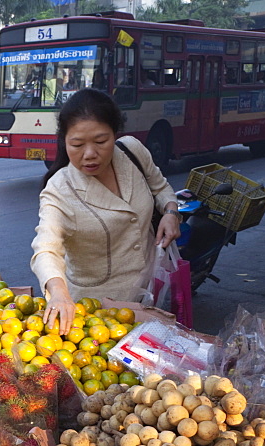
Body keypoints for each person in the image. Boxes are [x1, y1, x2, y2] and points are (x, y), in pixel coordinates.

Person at [31, 88, 181, 335]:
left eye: (101, 141)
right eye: (77, 144)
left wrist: (171, 212)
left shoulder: (132, 152)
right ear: (64, 141)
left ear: (115, 133)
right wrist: (58, 292)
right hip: (97, 316)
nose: (90, 154)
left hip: (149, 290)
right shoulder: (59, 189)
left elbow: (160, 186)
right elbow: (46, 248)